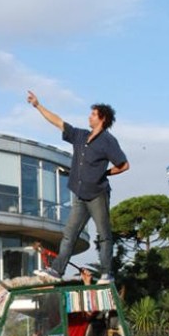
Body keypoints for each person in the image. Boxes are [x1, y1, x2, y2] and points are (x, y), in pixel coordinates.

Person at [27, 90, 129, 284]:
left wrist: (106, 173)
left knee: (104, 235)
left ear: (102, 118)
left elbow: (124, 165)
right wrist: (38, 105)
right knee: (69, 234)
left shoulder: (108, 141)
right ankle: (57, 271)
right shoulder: (81, 136)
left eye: (93, 114)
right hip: (80, 195)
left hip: (98, 194)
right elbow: (58, 122)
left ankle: (107, 274)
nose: (89, 116)